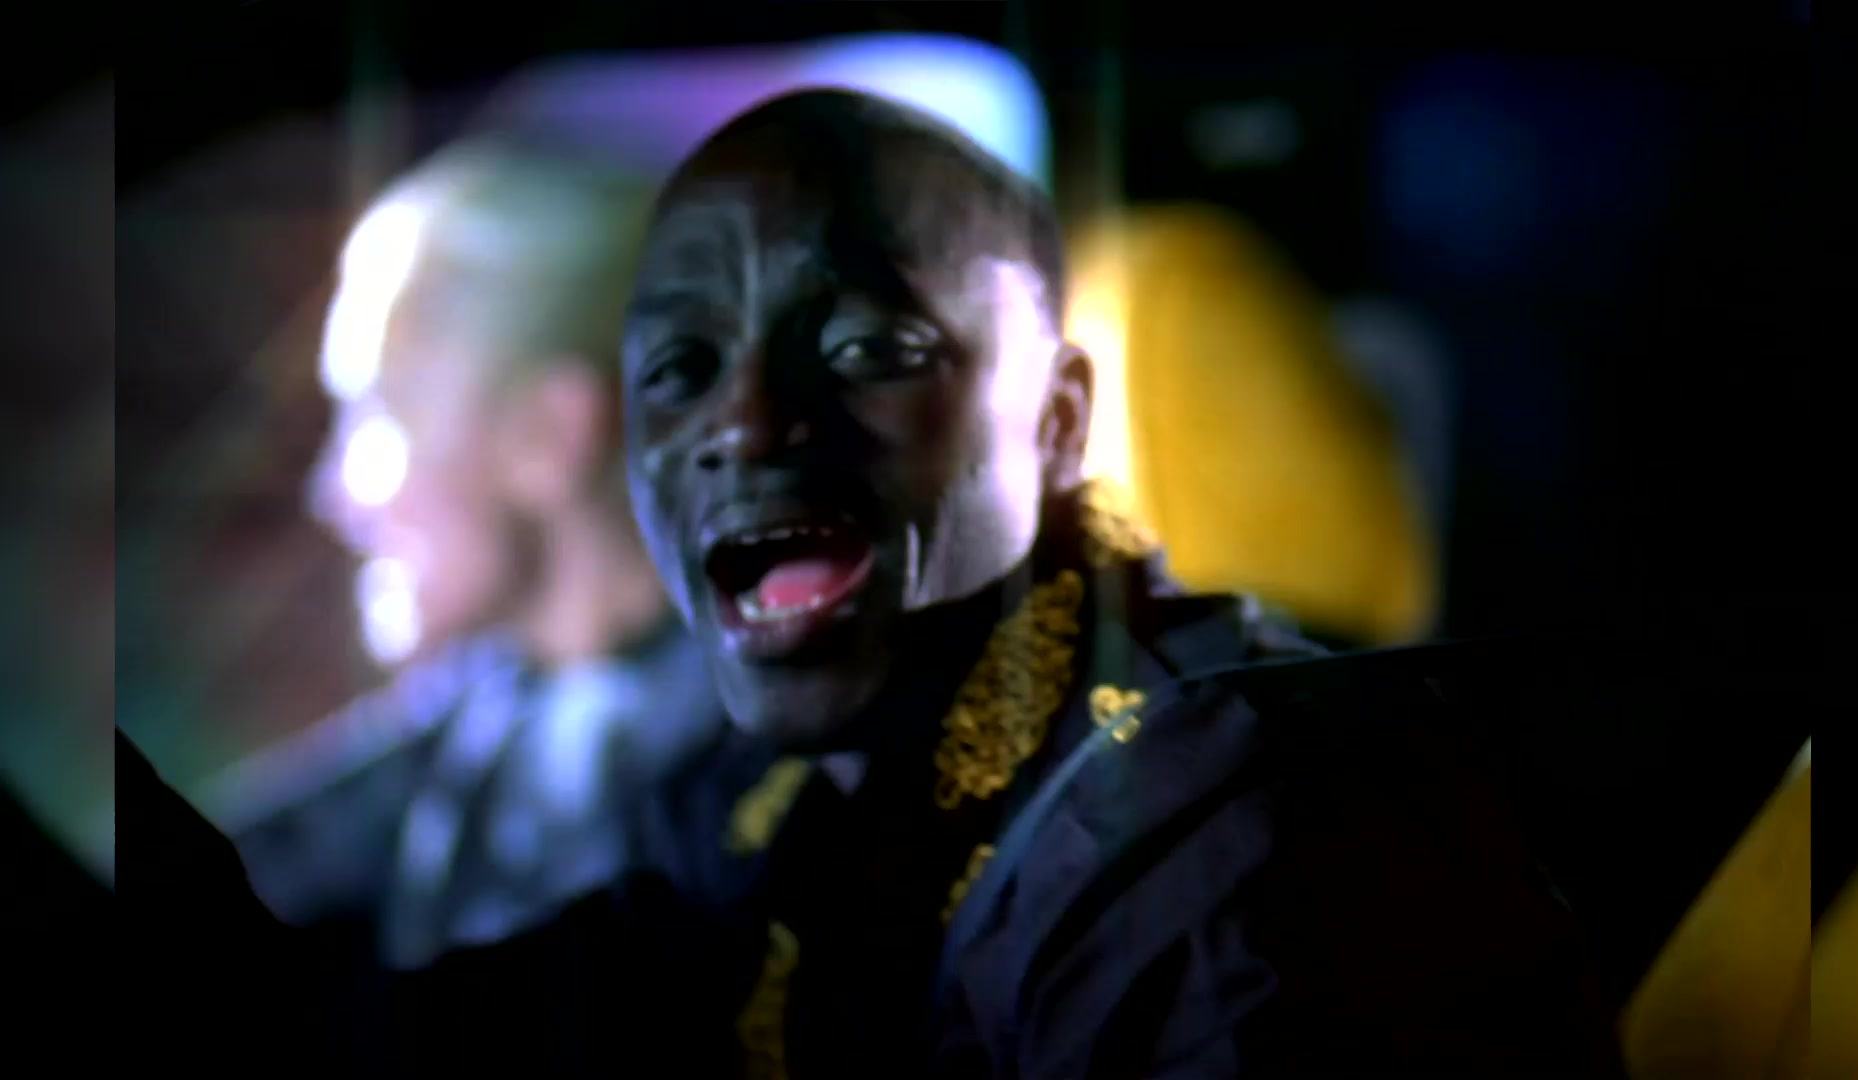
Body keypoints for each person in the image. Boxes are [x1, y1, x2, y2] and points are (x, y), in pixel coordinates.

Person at [121, 89, 1624, 1076]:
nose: (747, 423)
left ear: (1055, 424)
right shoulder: (800, 806)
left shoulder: (1222, 847)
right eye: (681, 369)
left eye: (865, 349)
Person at [207, 134, 723, 976]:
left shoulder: (766, 765)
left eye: (380, 416)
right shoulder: (484, 719)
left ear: (549, 434)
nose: (334, 493)